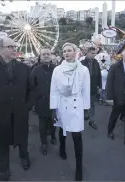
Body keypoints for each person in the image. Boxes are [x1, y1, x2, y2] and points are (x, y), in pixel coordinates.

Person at [0, 38, 34, 181]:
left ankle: (24, 156)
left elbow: (31, 90)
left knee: (22, 138)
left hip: (20, 112)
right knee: (0, 143)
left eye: (15, 46)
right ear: (1, 49)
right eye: (10, 46)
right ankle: (3, 172)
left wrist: (27, 106)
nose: (14, 49)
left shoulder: (25, 68)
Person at [50, 43, 90, 181]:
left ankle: (79, 167)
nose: (66, 53)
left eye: (69, 50)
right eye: (64, 51)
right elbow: (53, 90)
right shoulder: (57, 70)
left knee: (77, 135)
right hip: (62, 104)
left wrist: (86, 109)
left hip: (76, 104)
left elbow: (86, 90)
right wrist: (53, 108)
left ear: (75, 52)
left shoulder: (83, 70)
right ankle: (62, 148)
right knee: (62, 129)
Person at [31, 46, 56, 156]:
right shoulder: (35, 69)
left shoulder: (57, 69)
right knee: (42, 124)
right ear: (40, 57)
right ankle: (44, 143)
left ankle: (54, 136)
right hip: (41, 101)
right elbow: (32, 86)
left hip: (55, 101)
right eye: (44, 54)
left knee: (53, 121)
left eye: (48, 54)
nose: (46, 56)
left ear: (51, 56)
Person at [81, 47, 101, 129]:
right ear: (88, 53)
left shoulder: (96, 63)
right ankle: (85, 114)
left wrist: (100, 86)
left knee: (92, 104)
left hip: (93, 87)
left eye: (95, 53)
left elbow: (99, 75)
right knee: (83, 103)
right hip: (84, 87)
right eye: (92, 53)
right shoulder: (81, 63)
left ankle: (91, 121)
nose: (94, 55)